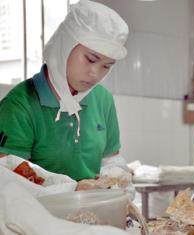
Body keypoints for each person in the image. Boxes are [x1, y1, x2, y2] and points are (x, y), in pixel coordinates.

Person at [0, 0, 129, 182]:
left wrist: (117, 178)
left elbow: (110, 159)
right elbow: (8, 176)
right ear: (64, 46)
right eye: (91, 59)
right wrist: (71, 189)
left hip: (92, 209)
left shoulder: (103, 99)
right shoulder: (20, 104)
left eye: (106, 66)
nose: (95, 74)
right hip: (36, 210)